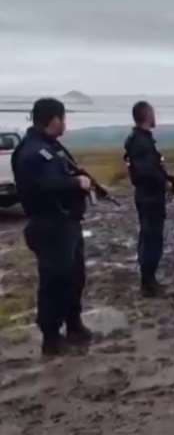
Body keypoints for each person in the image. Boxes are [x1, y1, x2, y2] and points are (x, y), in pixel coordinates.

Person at [11, 98, 93, 357]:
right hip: (49, 225)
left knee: (74, 276)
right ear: (53, 119)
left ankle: (74, 325)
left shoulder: (52, 147)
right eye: (63, 117)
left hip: (66, 223)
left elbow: (60, 174)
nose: (65, 122)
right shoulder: (32, 151)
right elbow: (45, 185)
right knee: (54, 281)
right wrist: (76, 184)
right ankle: (51, 337)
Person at [123, 101, 174, 297]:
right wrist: (165, 183)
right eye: (153, 113)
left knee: (149, 236)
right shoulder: (141, 142)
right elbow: (148, 171)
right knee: (152, 238)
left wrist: (168, 179)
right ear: (146, 115)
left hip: (147, 194)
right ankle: (149, 283)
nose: (156, 117)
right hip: (150, 196)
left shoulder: (140, 139)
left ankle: (149, 280)